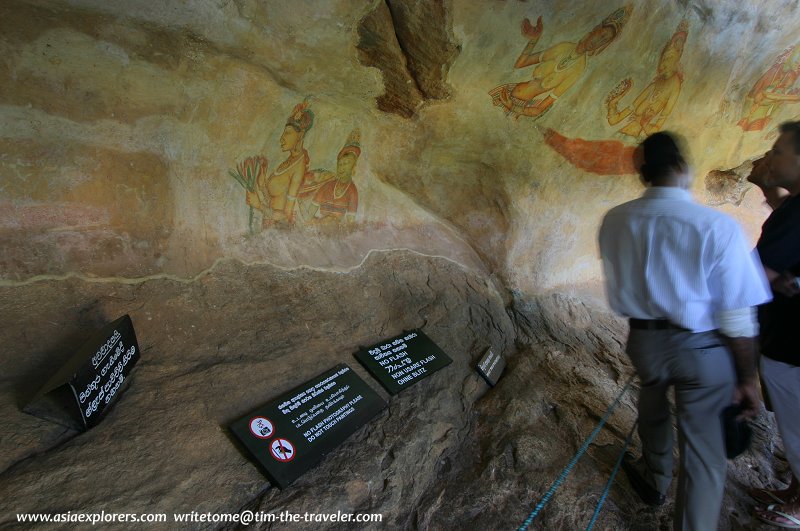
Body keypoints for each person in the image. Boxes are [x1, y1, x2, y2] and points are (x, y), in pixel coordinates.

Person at [598, 132, 771, 530]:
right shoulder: (716, 227)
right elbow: (737, 317)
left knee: (653, 402)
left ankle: (654, 477)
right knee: (704, 456)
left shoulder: (616, 219)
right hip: (703, 349)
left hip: (644, 340)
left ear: (643, 174)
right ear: (681, 168)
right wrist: (747, 378)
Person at [752, 121, 800, 528]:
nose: (773, 156)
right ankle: (794, 490)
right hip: (788, 339)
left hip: (794, 346)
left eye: (779, 151)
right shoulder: (795, 208)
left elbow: (756, 274)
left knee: (799, 426)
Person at [489, 6, 630, 119]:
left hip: (516, 107)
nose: (598, 41)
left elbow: (539, 109)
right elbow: (521, 63)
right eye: (601, 35)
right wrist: (534, 40)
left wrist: (512, 107)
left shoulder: (578, 70)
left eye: (604, 40)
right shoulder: (564, 47)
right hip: (506, 90)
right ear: (593, 31)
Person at [605, 20, 687, 139]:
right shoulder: (655, 84)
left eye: (668, 58)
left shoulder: (675, 85)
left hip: (634, 143)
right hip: (619, 136)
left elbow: (656, 130)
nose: (663, 63)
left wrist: (644, 123)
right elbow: (614, 120)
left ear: (677, 60)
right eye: (663, 59)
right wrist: (613, 102)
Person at [246, 100, 314, 226]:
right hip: (270, 227)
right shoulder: (288, 162)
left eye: (287, 133)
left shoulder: (299, 166)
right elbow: (273, 199)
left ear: (300, 135)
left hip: (280, 231)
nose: (282, 138)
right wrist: (262, 183)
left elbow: (286, 216)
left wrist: (258, 205)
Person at [308, 129, 361, 225]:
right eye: (340, 164)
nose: (342, 167)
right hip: (317, 231)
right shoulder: (327, 186)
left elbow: (350, 223)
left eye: (346, 163)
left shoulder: (352, 191)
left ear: (354, 167)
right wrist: (316, 222)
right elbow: (309, 214)